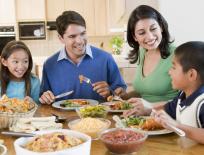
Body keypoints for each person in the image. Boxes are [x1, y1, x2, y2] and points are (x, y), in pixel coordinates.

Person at [39, 11, 126, 104]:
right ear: (61, 38)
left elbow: (122, 93)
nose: (80, 41)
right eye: (72, 36)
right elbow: (43, 98)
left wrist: (111, 93)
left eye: (83, 33)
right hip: (62, 118)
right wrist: (45, 98)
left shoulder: (105, 59)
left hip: (98, 118)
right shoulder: (49, 65)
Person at [126, 41, 204, 144]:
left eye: (173, 67)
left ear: (191, 75)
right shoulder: (182, 96)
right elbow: (167, 109)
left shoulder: (201, 102)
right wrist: (147, 111)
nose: (169, 72)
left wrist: (175, 125)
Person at [122, 5, 178, 106]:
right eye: (142, 33)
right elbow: (146, 93)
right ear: (135, 37)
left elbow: (185, 101)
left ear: (160, 27)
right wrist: (123, 96)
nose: (150, 37)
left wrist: (149, 107)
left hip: (168, 118)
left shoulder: (177, 54)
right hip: (144, 118)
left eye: (153, 29)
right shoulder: (142, 51)